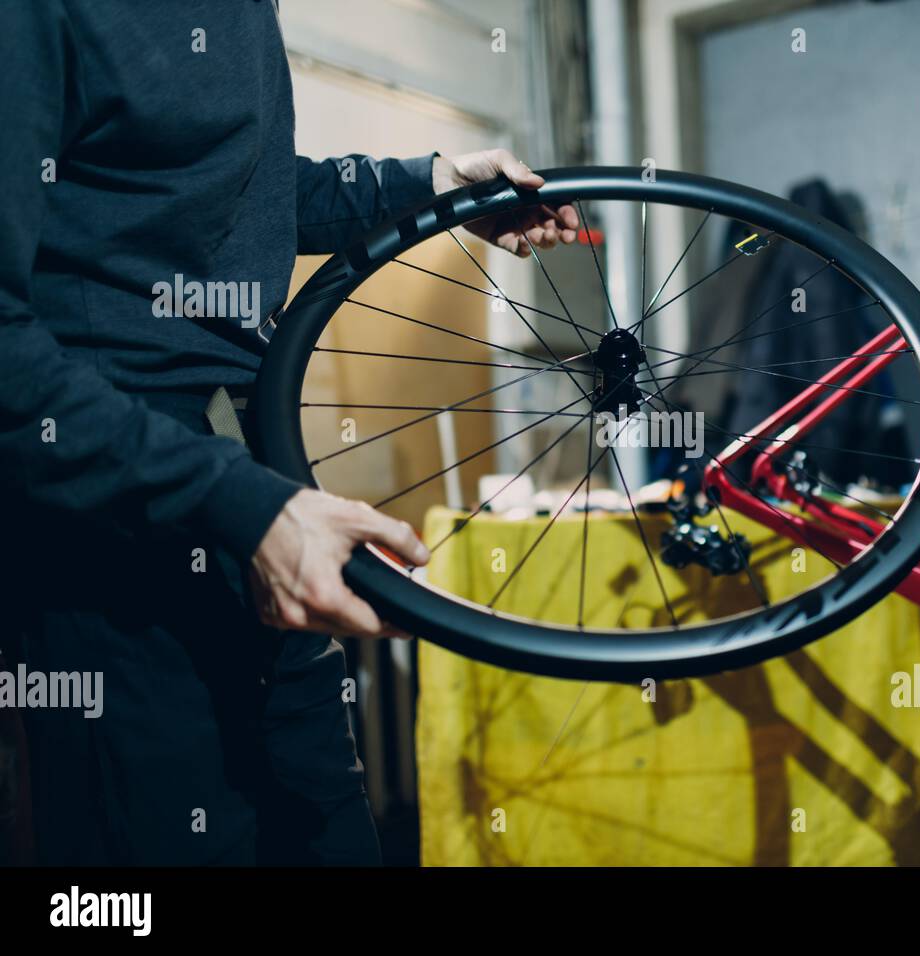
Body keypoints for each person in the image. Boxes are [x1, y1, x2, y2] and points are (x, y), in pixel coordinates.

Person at [0, 0, 578, 865]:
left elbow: (238, 192)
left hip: (255, 469)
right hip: (115, 509)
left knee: (325, 828)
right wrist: (239, 505)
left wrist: (431, 187)